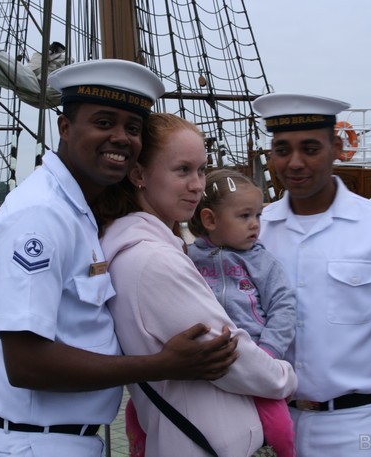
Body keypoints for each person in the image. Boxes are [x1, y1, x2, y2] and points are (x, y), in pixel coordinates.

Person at [0, 59, 239, 457]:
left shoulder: (78, 214)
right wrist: (163, 364)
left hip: (59, 441)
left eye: (132, 128)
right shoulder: (41, 216)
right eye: (103, 122)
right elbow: (26, 363)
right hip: (34, 444)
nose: (120, 138)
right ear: (65, 128)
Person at [252, 93, 371, 457]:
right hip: (270, 426)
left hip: (356, 432)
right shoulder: (256, 232)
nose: (294, 162)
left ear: (336, 148)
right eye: (282, 149)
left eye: (310, 148)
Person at [93, 113, 297, 457]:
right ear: (139, 174)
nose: (198, 185)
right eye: (182, 170)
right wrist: (284, 376)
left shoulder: (132, 249)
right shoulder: (154, 261)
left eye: (201, 170)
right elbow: (228, 354)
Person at [187, 169, 297, 457]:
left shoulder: (263, 263)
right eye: (245, 216)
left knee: (281, 429)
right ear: (210, 219)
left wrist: (268, 353)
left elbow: (283, 307)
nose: (255, 225)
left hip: (255, 362)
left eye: (258, 215)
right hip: (204, 365)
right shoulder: (185, 257)